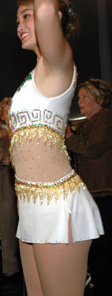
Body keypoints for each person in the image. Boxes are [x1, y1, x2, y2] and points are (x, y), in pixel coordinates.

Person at [10, 0, 103, 295]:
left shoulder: (60, 65)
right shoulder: (28, 82)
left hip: (57, 207)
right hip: (31, 208)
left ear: (56, 17)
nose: (20, 26)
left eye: (27, 16)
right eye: (18, 20)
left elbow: (47, 7)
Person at [65, 78, 112, 295]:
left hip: (104, 191)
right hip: (92, 192)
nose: (80, 101)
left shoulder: (105, 119)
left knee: (104, 245)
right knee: (96, 245)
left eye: (85, 96)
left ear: (99, 99)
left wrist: (68, 136)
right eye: (80, 97)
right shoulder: (86, 125)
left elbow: (92, 149)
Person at [0, 97, 20, 277]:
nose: (8, 114)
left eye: (11, 109)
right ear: (1, 115)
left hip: (23, 183)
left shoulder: (24, 131)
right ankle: (10, 269)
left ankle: (27, 268)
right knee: (7, 230)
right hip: (4, 184)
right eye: (6, 111)